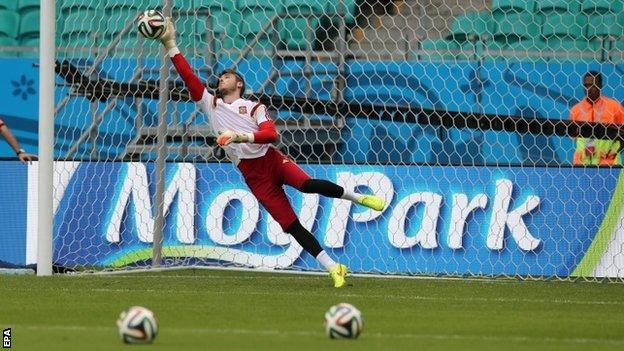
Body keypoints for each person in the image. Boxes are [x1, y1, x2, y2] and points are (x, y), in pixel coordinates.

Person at [155, 18, 385, 288]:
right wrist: (170, 43)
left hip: (271, 160)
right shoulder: (211, 104)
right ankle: (334, 267)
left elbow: (271, 135)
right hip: (253, 175)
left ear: (239, 84)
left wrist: (239, 136)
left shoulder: (254, 107)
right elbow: (188, 76)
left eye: (227, 76)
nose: (221, 79)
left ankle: (359, 198)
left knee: (307, 185)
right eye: (220, 77)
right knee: (290, 225)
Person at [570, 71, 624, 166]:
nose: (588, 89)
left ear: (600, 86)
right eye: (586, 85)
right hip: (581, 165)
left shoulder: (614, 107)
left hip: (609, 165)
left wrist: (614, 151)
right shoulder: (576, 110)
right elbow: (574, 137)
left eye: (592, 85)